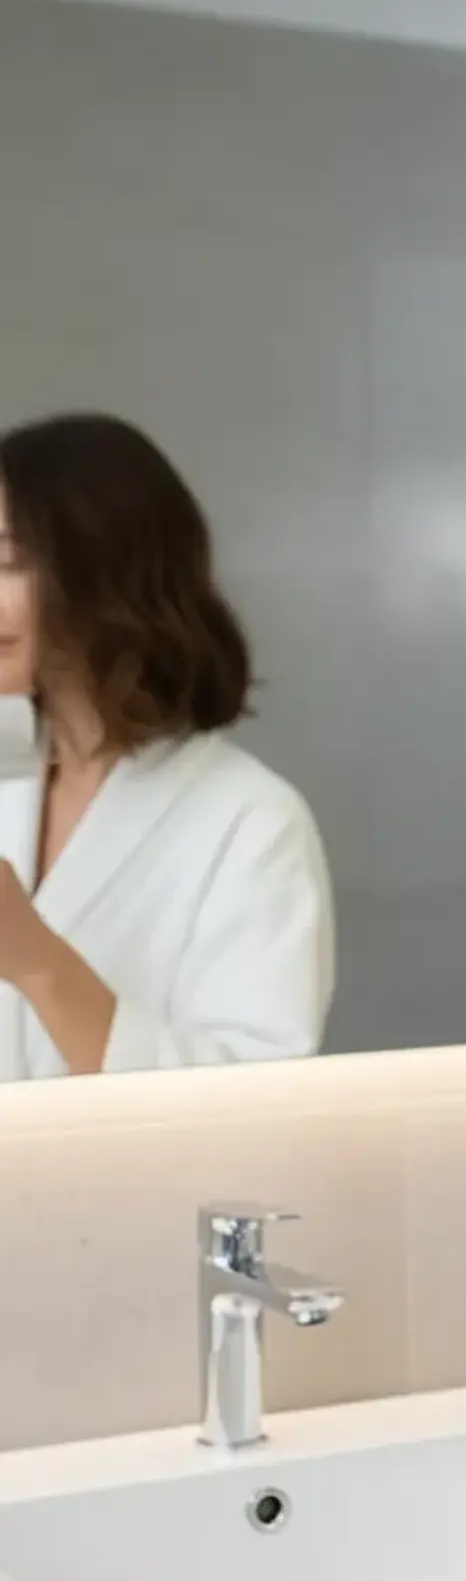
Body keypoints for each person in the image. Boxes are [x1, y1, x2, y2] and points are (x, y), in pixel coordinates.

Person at [0, 412, 333, 1080]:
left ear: (102, 574)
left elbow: (253, 1104)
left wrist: (37, 960)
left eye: (4, 561)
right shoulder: (11, 773)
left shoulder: (251, 823)